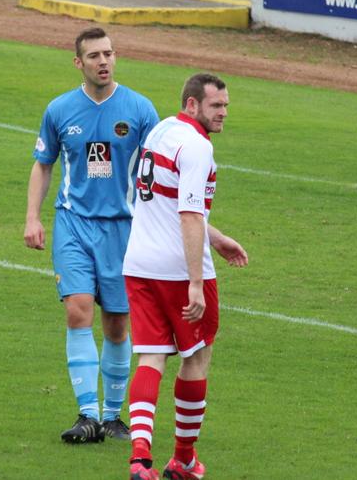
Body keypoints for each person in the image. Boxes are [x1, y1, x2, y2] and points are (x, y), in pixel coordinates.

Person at [25, 27, 160, 444]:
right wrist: (33, 217)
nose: (104, 61)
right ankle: (86, 415)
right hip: (74, 223)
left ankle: (112, 416)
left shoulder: (140, 110)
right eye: (95, 55)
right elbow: (43, 163)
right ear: (78, 62)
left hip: (125, 229)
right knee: (78, 310)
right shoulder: (60, 110)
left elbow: (160, 171)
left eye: (109, 53)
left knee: (117, 324)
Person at [122, 73, 249, 480]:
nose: (224, 113)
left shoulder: (162, 131)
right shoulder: (196, 147)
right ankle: (183, 461)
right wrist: (196, 281)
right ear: (193, 105)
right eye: (216, 106)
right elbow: (189, 213)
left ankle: (140, 459)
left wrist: (218, 238)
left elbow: (162, 199)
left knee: (151, 355)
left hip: (139, 263)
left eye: (226, 105)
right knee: (196, 356)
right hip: (179, 271)